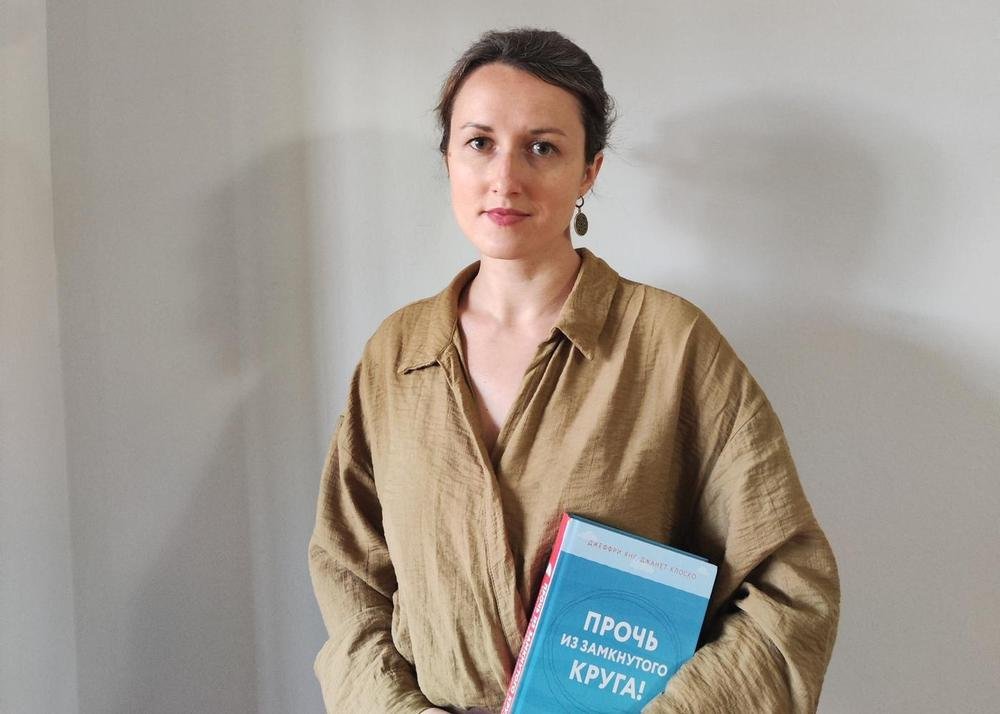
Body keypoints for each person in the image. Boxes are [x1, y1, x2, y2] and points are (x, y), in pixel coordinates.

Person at [308, 28, 840, 714]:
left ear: (589, 170)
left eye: (542, 148)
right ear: (447, 158)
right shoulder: (396, 354)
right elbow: (350, 575)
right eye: (479, 142)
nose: (505, 178)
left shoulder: (671, 346)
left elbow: (790, 585)